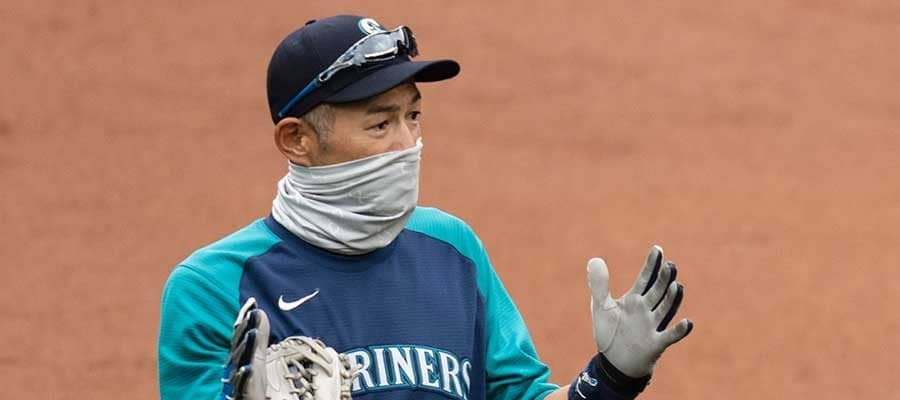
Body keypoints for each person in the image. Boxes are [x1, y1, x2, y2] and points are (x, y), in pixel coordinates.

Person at [157, 14, 693, 400]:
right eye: (380, 123)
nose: (406, 144)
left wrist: (611, 378)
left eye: (413, 117)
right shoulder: (213, 287)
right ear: (297, 139)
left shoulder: (452, 249)